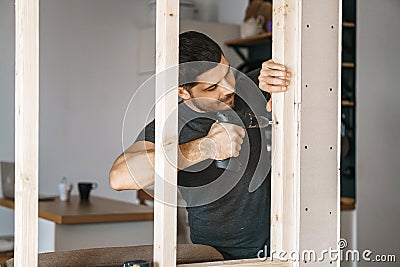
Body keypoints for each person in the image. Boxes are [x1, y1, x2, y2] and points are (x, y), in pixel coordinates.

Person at [109, 31, 291, 260]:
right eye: (211, 88)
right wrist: (206, 147)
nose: (228, 89)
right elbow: (120, 178)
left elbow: (292, 75)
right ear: (182, 91)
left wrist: (276, 74)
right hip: (217, 255)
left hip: (283, 243)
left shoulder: (247, 88)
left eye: (227, 73)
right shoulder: (172, 127)